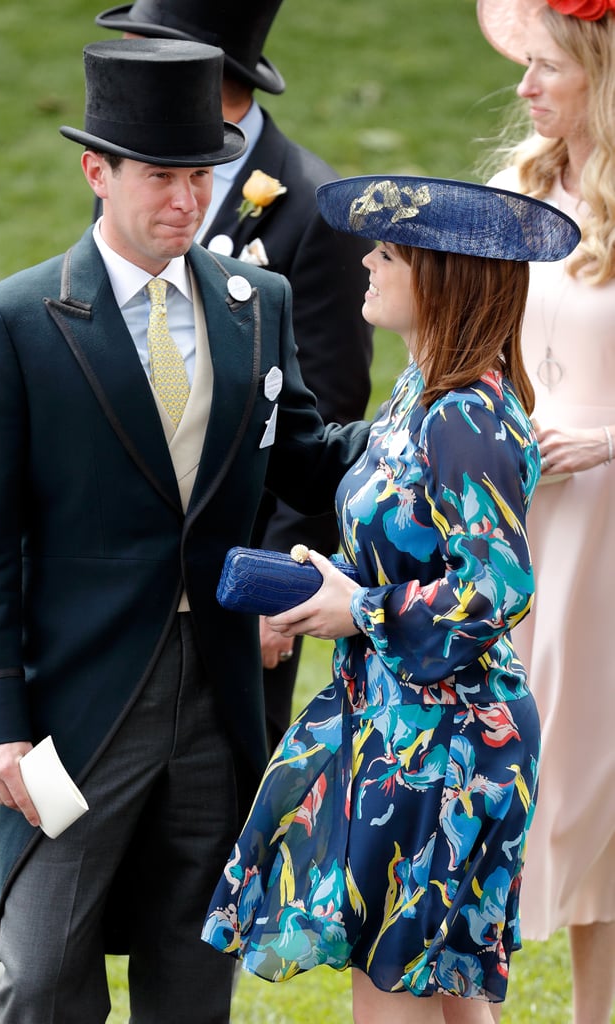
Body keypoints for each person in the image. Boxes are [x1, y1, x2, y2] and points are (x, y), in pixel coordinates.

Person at [0, 38, 370, 1024]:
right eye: (162, 176)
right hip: (77, 699)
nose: (187, 199)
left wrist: (429, 424)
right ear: (98, 170)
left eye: (201, 175)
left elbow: (305, 455)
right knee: (43, 967)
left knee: (190, 966)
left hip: (222, 689)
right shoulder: (9, 323)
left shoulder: (257, 304)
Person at [200, 174, 580, 1023]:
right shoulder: (419, 395)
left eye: (389, 252)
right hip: (410, 725)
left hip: (442, 745)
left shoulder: (462, 415)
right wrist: (335, 575)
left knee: (393, 991)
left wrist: (358, 611)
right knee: (438, 992)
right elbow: (419, 545)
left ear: (441, 279)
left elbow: (497, 585)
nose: (367, 262)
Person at [94, 0, 374, 751]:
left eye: (146, 43)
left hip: (237, 586)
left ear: (206, 64)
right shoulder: (122, 162)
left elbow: (325, 413)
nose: (125, 54)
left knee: (223, 820)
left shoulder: (313, 207)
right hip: (121, 591)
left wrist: (273, 594)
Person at [476, 2, 615, 1021]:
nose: (521, 89)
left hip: (609, 527)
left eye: (543, 69)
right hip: (524, 520)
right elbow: (460, 344)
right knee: (523, 770)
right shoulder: (511, 192)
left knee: (597, 779)